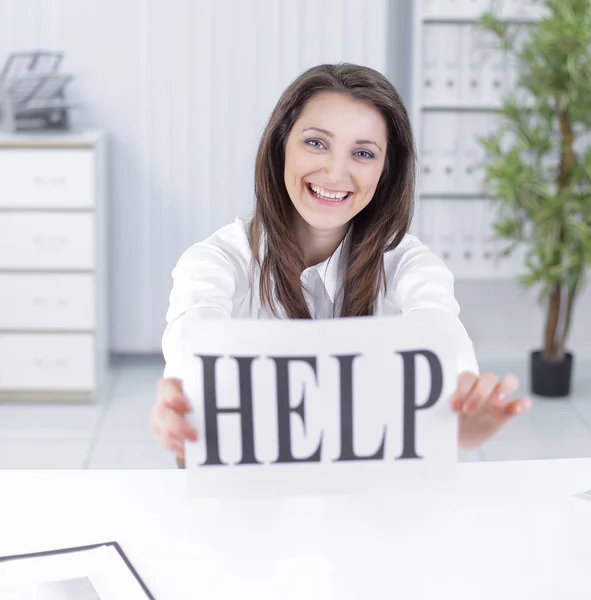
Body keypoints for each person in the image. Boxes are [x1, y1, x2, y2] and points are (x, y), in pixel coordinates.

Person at [150, 62, 532, 466]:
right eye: (316, 143)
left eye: (363, 153)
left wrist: (462, 411)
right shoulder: (216, 262)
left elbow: (439, 328)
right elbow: (194, 342)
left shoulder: (410, 265)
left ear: (386, 171)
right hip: (254, 509)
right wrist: (182, 401)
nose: (335, 172)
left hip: (370, 508)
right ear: (281, 145)